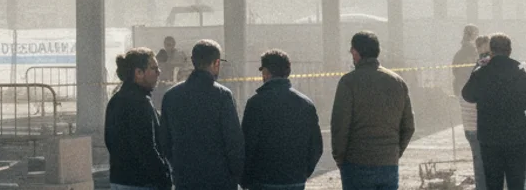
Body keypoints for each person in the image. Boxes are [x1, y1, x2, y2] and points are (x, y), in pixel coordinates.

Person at [330, 31, 415, 190]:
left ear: (355, 53)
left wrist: (340, 158)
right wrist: (394, 153)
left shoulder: (348, 83)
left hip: (356, 164)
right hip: (388, 164)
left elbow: (340, 127)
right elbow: (409, 127)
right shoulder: (398, 82)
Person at [462, 33, 526, 190]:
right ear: (510, 50)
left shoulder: (482, 72)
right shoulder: (521, 72)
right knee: (516, 182)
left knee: (493, 182)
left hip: (489, 138)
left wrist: (477, 68)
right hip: (516, 137)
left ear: (491, 50)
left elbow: (467, 95)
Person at [160, 40, 243, 190]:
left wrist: (177, 168)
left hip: (185, 179)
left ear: (193, 61)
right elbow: (234, 142)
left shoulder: (171, 96)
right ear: (217, 62)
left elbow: (165, 141)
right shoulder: (222, 95)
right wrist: (236, 176)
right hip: (220, 180)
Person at [241, 49, 323, 190]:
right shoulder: (306, 104)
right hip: (295, 180)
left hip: (263, 181)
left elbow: (247, 146)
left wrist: (245, 180)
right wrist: (303, 172)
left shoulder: (256, 104)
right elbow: (316, 146)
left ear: (266, 72)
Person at [104, 47, 172, 190]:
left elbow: (109, 140)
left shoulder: (116, 100)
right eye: (154, 68)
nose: (159, 72)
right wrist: (164, 177)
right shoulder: (140, 102)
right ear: (139, 73)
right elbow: (146, 147)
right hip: (141, 182)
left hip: (119, 179)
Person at [462, 34, 493, 189]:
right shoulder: (484, 65)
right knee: (483, 166)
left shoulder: (477, 66)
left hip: (472, 125)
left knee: (481, 166)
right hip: (479, 125)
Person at [455, 25, 482, 95]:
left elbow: (455, 71)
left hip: (463, 86)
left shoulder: (460, 53)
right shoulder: (475, 52)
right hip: (469, 87)